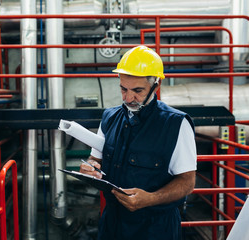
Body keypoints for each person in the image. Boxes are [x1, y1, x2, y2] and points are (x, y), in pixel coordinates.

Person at [79, 45, 197, 240]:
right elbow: (94, 159)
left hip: (155, 228)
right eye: (123, 89)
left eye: (138, 90)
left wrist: (151, 199)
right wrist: (90, 167)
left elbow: (187, 182)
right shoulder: (109, 117)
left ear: (156, 85)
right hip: (112, 223)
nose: (128, 98)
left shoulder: (176, 124)